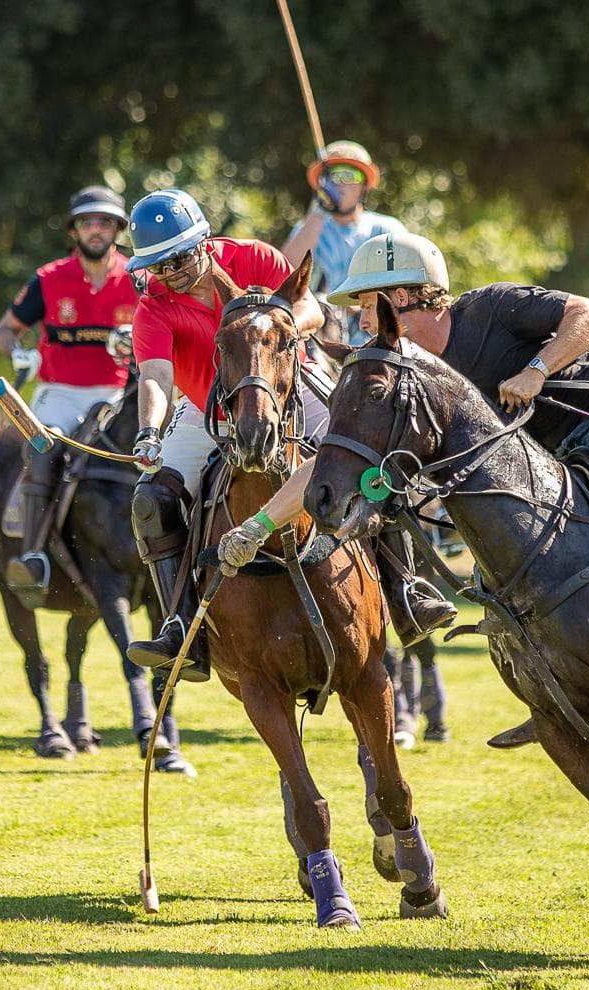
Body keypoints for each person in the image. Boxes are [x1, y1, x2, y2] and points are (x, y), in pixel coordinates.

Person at [218, 231, 589, 678]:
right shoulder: (408, 373)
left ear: (407, 297)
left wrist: (537, 371)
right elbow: (345, 456)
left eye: (368, 305)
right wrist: (262, 523)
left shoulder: (492, 307)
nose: (363, 321)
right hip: (545, 459)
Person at [120, 190, 453, 678]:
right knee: (151, 498)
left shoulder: (253, 256)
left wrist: (270, 329)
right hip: (207, 401)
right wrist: (149, 432)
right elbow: (154, 374)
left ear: (203, 242)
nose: (171, 273)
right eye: (159, 265)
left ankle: (406, 593)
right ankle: (181, 626)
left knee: (372, 457)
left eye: (179, 258)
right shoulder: (154, 305)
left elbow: (313, 311)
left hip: (288, 383)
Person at [0, 186, 136, 596]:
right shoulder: (49, 279)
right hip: (59, 391)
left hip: (115, 396)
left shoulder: (137, 278)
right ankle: (34, 554)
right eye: (87, 222)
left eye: (104, 222)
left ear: (116, 230)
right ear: (74, 230)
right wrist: (18, 353)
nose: (96, 229)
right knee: (44, 449)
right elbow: (5, 329)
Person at [281, 141, 405, 345]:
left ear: (364, 185)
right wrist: (319, 210)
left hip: (377, 343)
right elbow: (285, 270)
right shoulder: (309, 229)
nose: (339, 183)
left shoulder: (386, 230)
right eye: (332, 176)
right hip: (320, 346)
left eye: (349, 175)